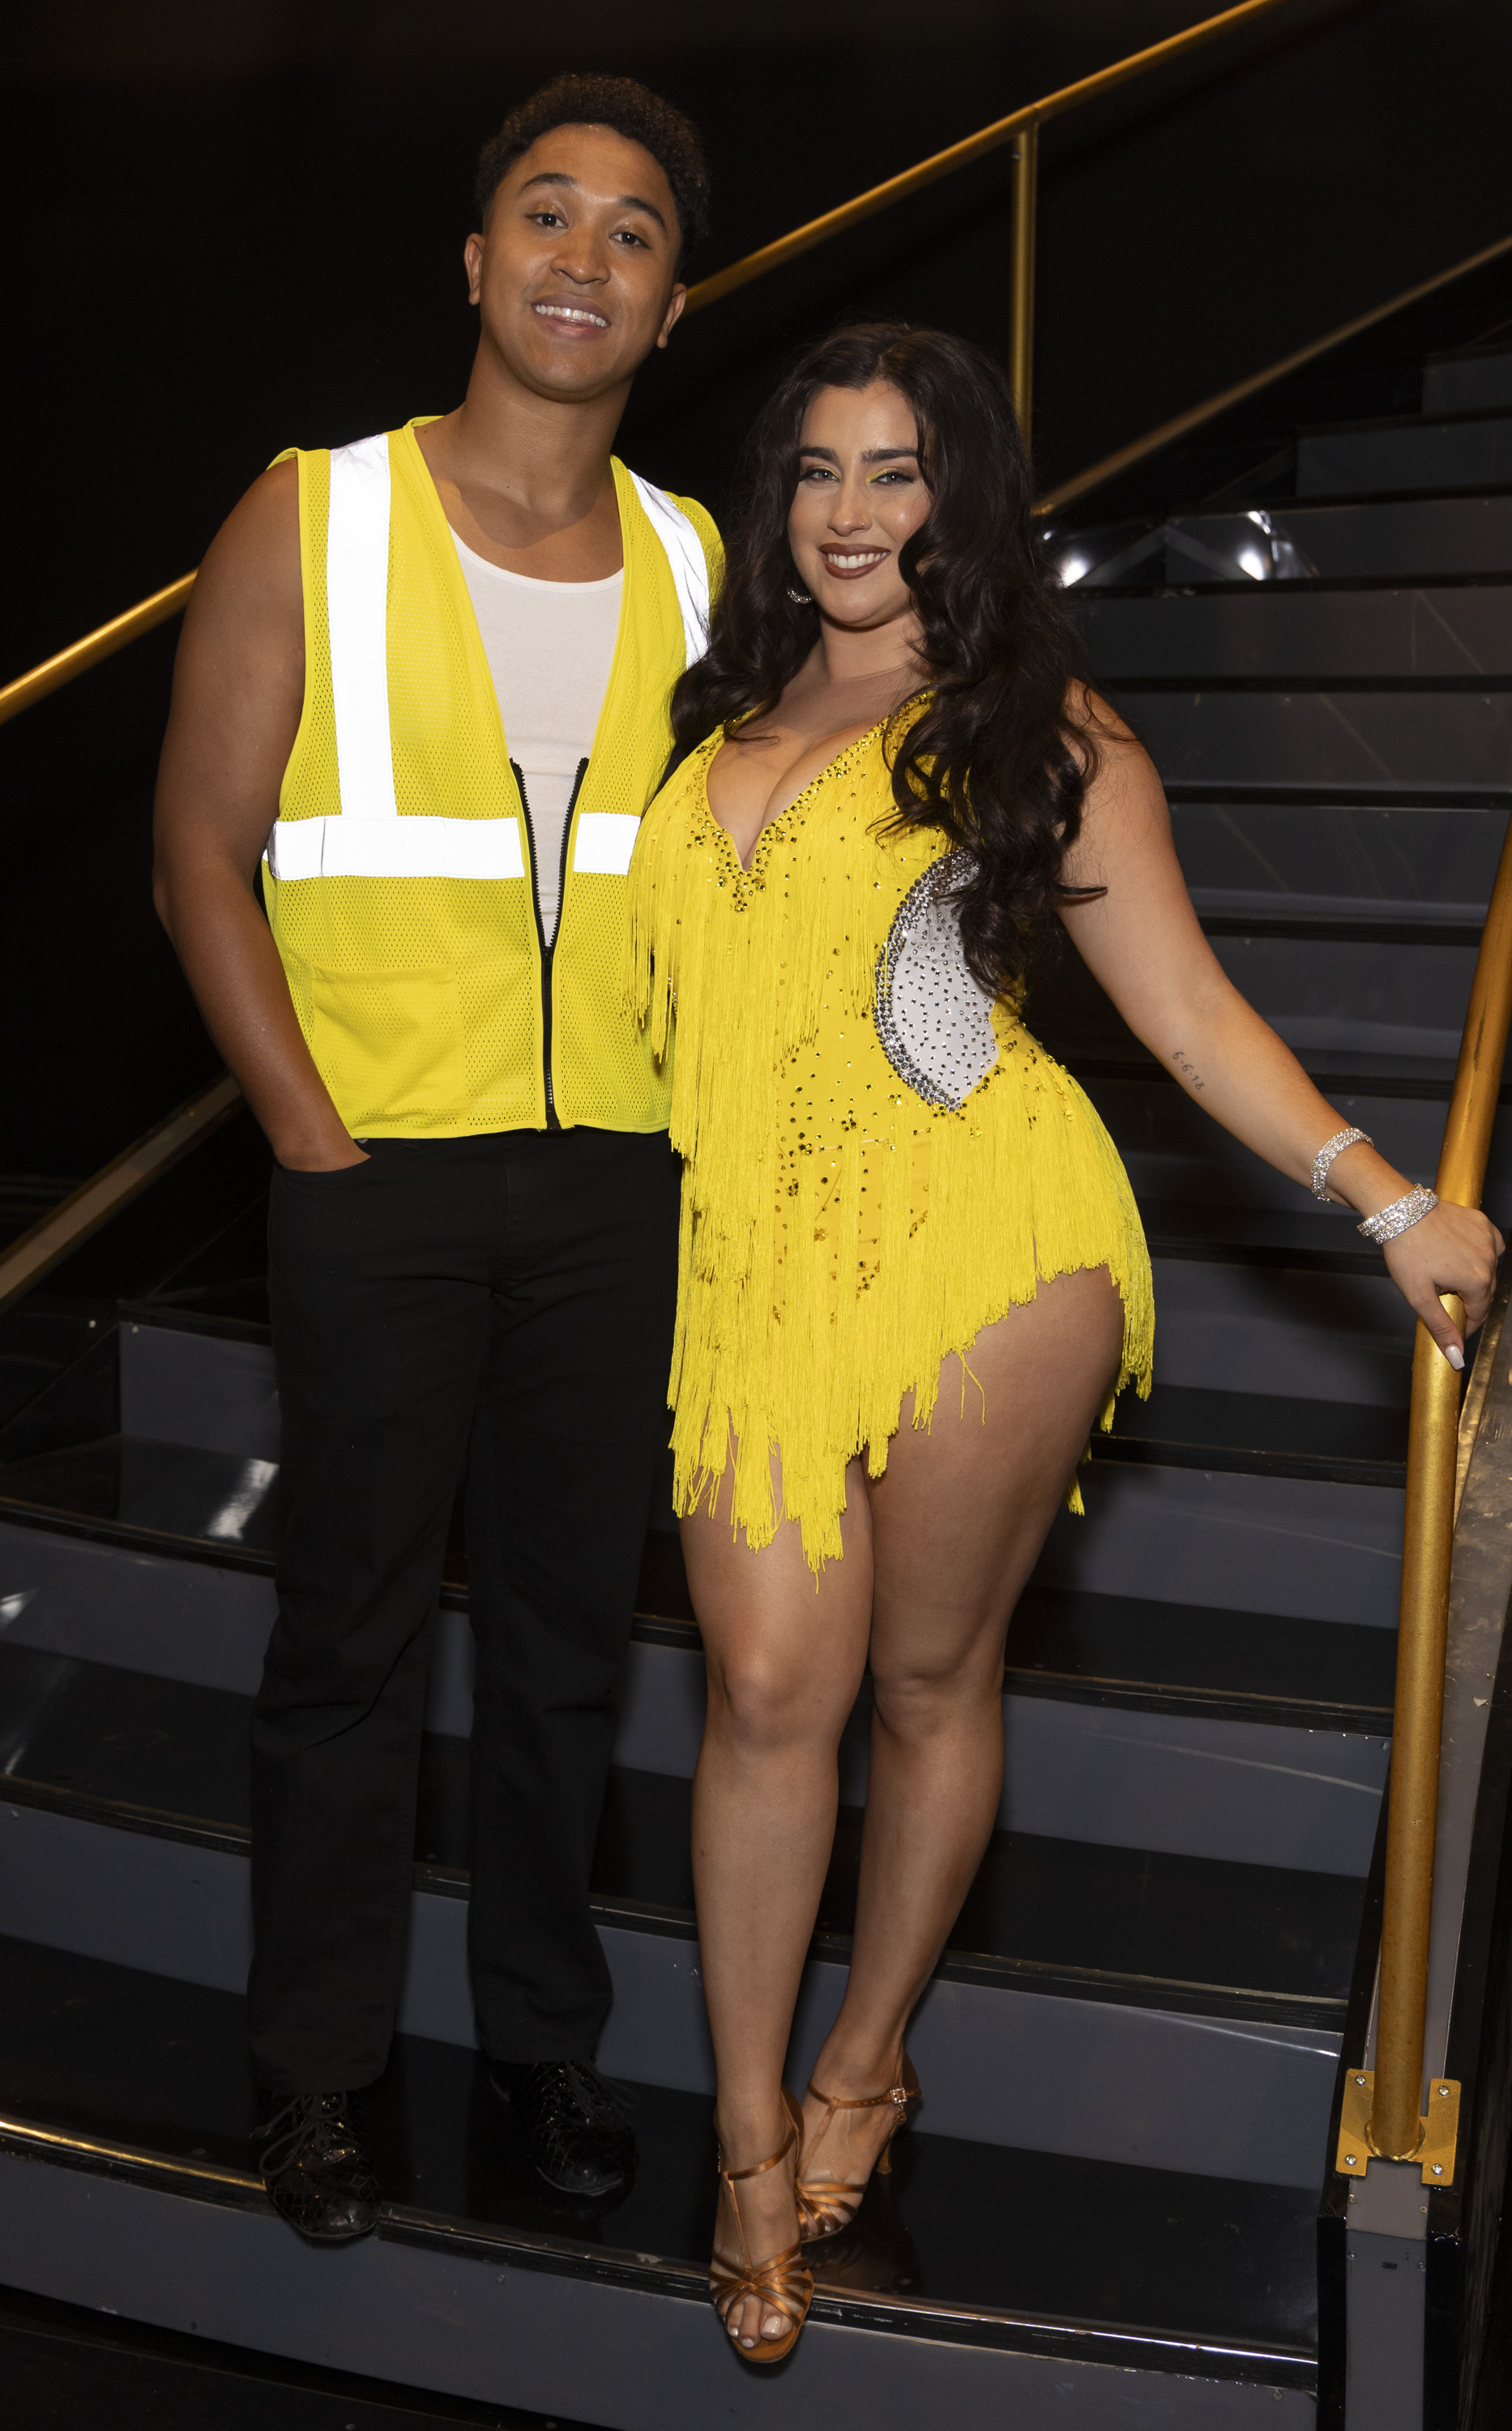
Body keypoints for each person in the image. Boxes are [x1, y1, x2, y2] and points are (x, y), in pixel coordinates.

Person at [626, 322, 1504, 2364]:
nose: (851, 513)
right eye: (818, 470)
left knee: (928, 1678)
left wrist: (1388, 1202)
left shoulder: (1038, 727)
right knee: (765, 1688)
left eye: (897, 472)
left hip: (988, 1247)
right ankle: (745, 2132)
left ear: (964, 499)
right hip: (749, 1274)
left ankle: (863, 2059)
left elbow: (1182, 1012)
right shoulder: (712, 704)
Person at [152, 73, 721, 2244]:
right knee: (351, 1648)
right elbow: (198, 855)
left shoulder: (700, 561)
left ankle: (544, 2046)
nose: (586, 256)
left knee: (573, 1647)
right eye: (548, 214)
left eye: (634, 231)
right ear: (478, 263)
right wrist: (312, 1134)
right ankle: (315, 2073)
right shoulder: (311, 514)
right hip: (374, 1173)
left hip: (621, 1191)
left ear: (673, 305)